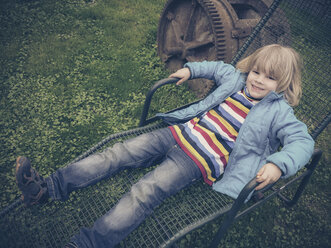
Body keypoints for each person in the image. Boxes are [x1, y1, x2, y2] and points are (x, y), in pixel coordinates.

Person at [15, 44, 314, 248]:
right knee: (118, 153)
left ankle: (87, 243)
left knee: (144, 191)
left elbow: (303, 142)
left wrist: (278, 163)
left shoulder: (279, 113)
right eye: (257, 72)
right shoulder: (237, 79)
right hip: (177, 133)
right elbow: (215, 67)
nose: (259, 80)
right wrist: (191, 70)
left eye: (270, 78)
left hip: (196, 160)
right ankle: (45, 189)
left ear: (284, 84)